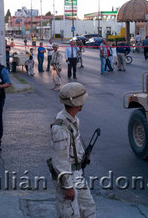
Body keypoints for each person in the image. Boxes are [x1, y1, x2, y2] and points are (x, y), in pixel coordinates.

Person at [50, 82, 96, 218]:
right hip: (67, 176)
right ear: (78, 104)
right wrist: (68, 186)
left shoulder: (73, 120)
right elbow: (60, 161)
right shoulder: (61, 128)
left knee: (88, 208)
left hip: (77, 173)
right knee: (70, 213)